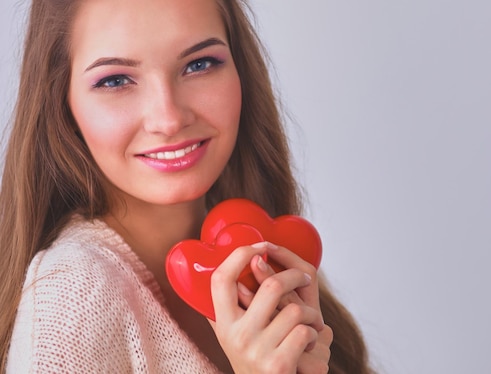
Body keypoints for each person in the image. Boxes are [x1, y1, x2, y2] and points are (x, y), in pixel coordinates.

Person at [0, 0, 373, 372]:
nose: (170, 119)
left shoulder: (258, 252)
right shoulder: (72, 299)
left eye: (199, 64)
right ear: (62, 104)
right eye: (114, 80)